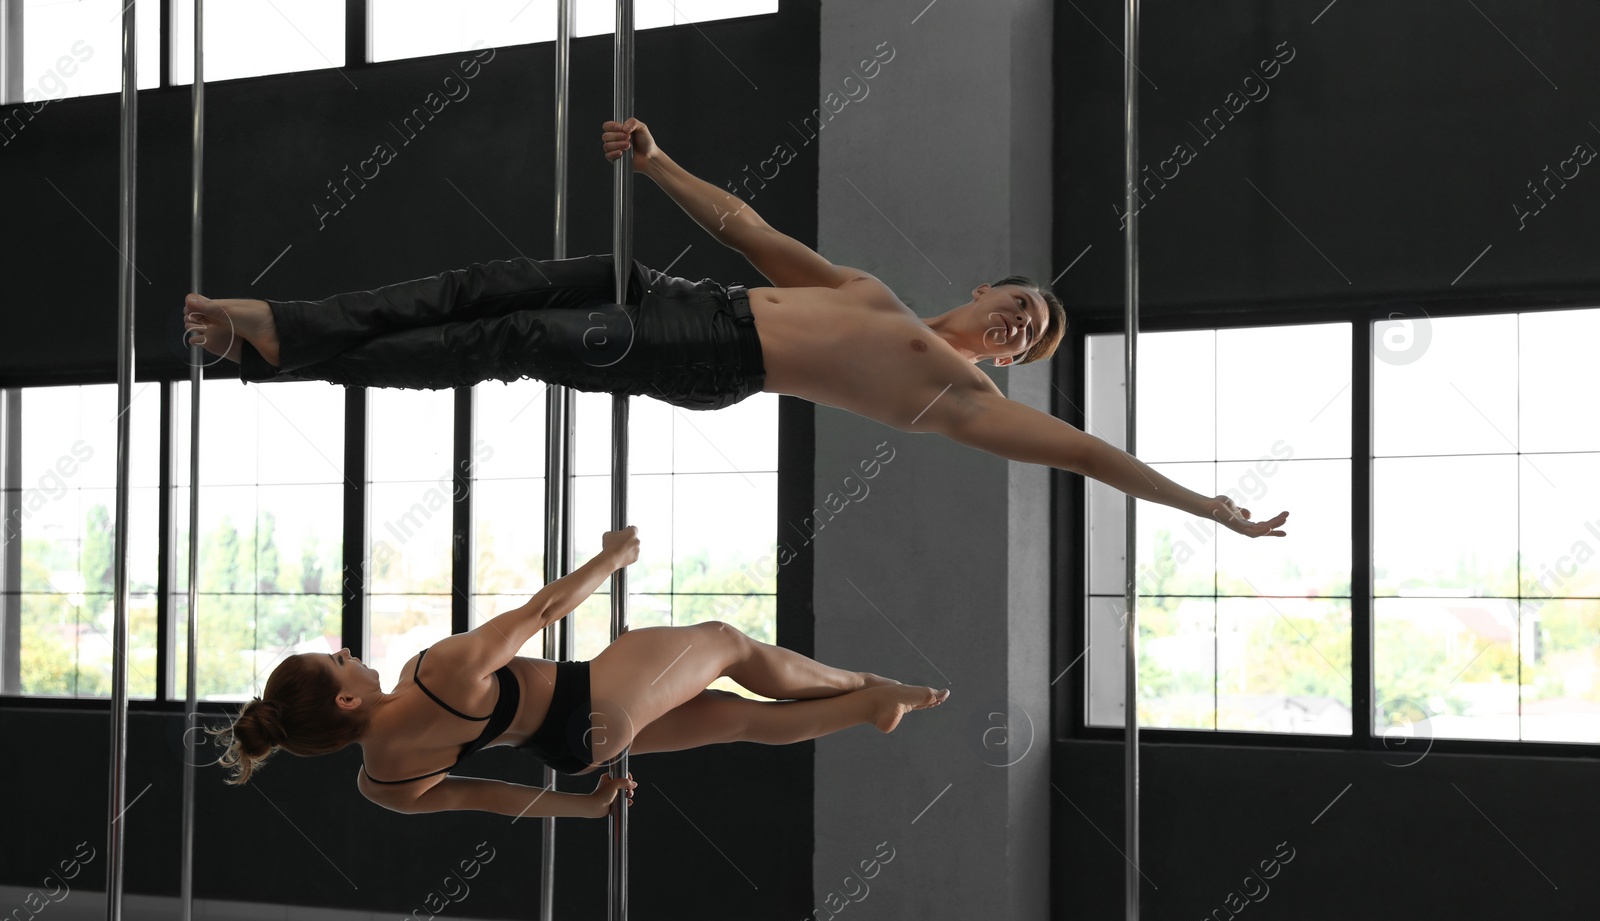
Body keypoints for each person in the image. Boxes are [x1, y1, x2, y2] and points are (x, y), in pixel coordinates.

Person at [183, 117, 1288, 540]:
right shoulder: (869, 293)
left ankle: (274, 356)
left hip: (712, 355)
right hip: (682, 294)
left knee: (512, 340)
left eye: (1031, 335)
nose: (1018, 325)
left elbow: (1088, 453)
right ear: (987, 289)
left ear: (1008, 359)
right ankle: (284, 326)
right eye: (1022, 304)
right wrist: (658, 162)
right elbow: (750, 229)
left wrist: (1204, 505)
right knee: (492, 284)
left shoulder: (960, 397)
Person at [210, 527, 949, 819]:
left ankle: (867, 707)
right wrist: (612, 557)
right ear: (344, 694)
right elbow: (542, 611)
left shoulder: (384, 783)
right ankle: (860, 682)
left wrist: (591, 806)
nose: (349, 650)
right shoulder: (434, 670)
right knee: (724, 640)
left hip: (572, 750)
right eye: (339, 657)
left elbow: (501, 799)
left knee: (741, 718)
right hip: (596, 693)